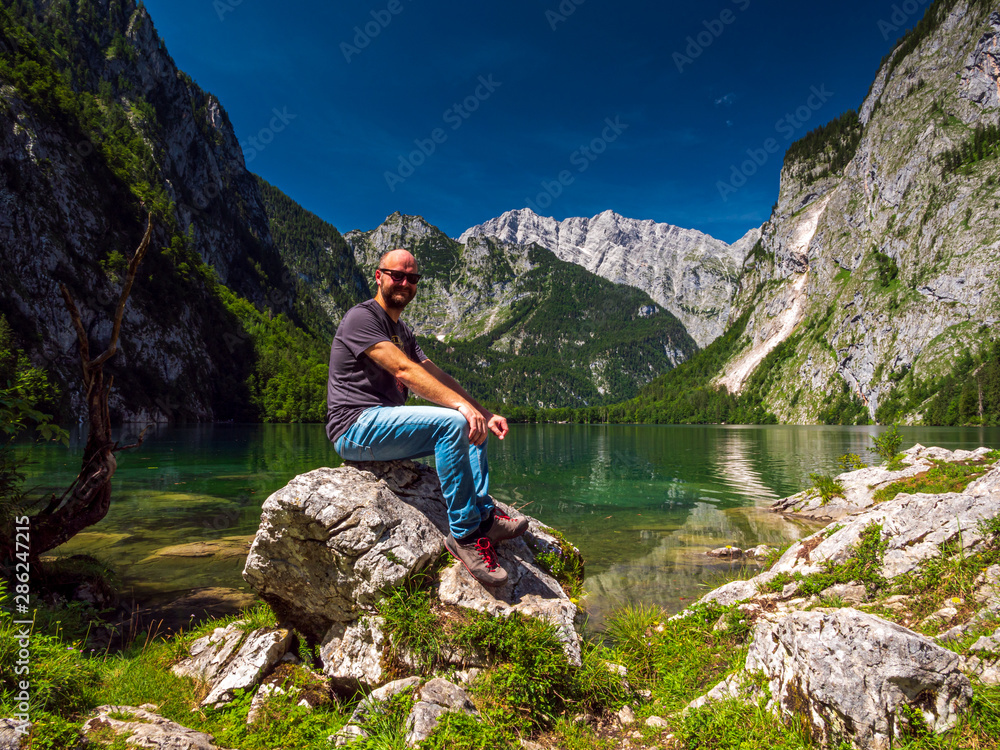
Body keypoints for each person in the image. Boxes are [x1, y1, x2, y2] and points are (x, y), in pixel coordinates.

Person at [326, 248, 527, 588]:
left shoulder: (402, 330)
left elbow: (436, 376)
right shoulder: (362, 318)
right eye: (397, 275)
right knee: (455, 421)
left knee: (469, 419)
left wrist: (483, 412)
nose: (405, 283)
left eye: (412, 278)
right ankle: (463, 536)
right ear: (379, 276)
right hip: (354, 427)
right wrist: (460, 410)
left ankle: (481, 516)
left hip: (384, 421)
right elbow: (404, 369)